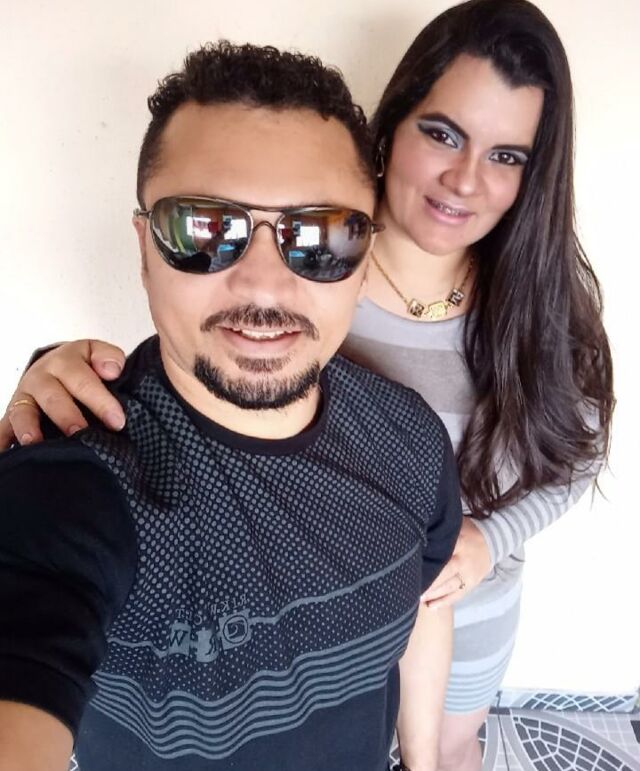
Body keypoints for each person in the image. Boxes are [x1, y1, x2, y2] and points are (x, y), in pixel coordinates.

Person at [0, 0, 615, 769]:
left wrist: (491, 541)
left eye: (319, 238)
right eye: (204, 230)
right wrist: (50, 378)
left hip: (456, 603)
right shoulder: (87, 483)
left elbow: (577, 451)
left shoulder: (513, 322)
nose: (266, 284)